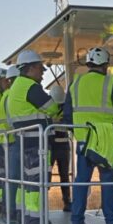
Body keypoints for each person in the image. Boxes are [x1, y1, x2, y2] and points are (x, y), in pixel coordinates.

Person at [63, 47, 113, 224]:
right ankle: (112, 223)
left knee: (81, 181)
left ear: (89, 63)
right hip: (105, 141)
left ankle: (77, 223)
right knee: (107, 182)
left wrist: (78, 133)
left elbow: (67, 115)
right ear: (106, 64)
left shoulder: (75, 83)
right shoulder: (110, 82)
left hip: (83, 141)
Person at [3, 50, 60, 224]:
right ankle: (37, 221)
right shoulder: (31, 87)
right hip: (37, 144)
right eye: (40, 69)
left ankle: (27, 217)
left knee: (28, 184)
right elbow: (52, 108)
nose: (42, 73)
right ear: (31, 68)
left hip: (25, 142)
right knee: (38, 184)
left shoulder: (16, 87)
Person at [0, 65, 18, 219]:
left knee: (8, 178)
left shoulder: (5, 95)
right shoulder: (11, 95)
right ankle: (11, 211)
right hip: (12, 139)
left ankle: (6, 210)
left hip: (5, 140)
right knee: (14, 177)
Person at [46, 81, 72, 212]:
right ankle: (64, 202)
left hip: (57, 146)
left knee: (61, 175)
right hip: (56, 146)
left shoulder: (62, 109)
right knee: (54, 175)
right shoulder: (61, 108)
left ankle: (66, 201)